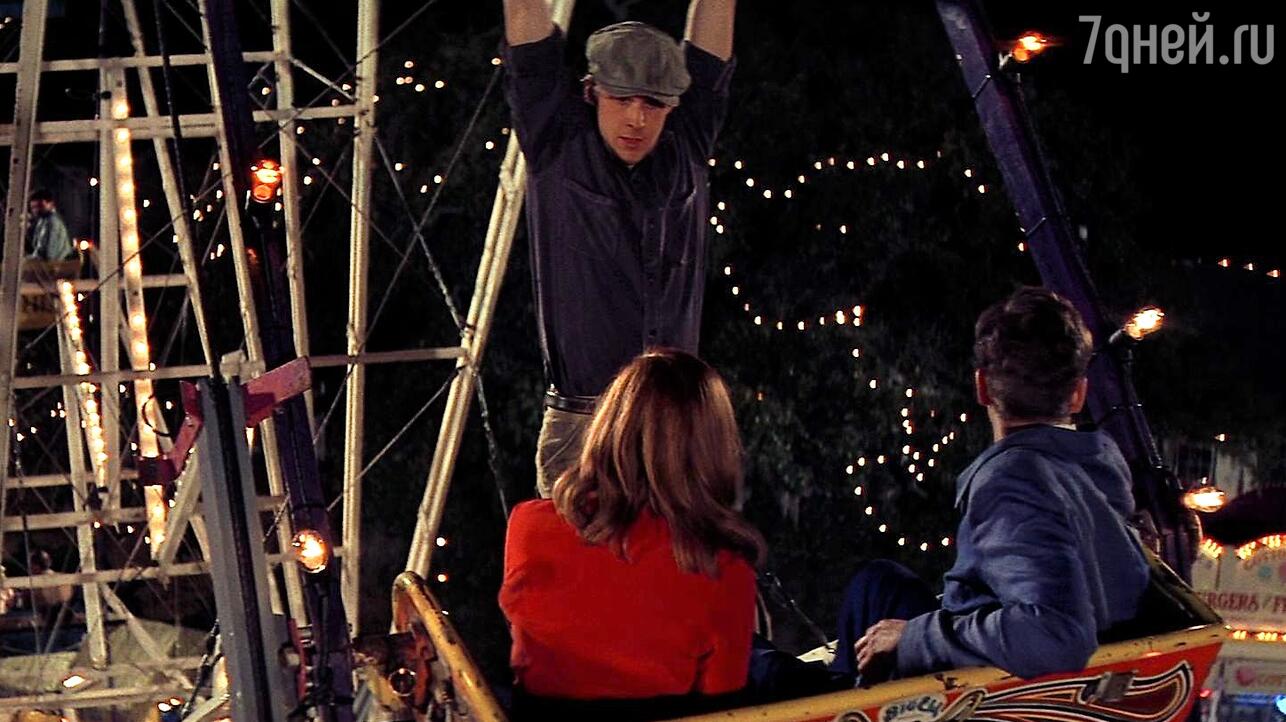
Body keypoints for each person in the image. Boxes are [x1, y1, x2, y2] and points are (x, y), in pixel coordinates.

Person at [845, 287, 1151, 681]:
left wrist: (914, 636)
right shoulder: (1097, 466)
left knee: (792, 657)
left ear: (982, 387)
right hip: (1052, 650)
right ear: (1078, 394)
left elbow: (1054, 635)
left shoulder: (1012, 484)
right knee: (881, 581)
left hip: (987, 687)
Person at [501, 0, 737, 497]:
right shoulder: (557, 140)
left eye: (653, 104)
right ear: (593, 92)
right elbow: (527, 35)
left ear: (672, 106)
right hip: (585, 424)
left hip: (675, 425)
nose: (636, 119)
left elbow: (710, 57)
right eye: (622, 98)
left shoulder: (686, 145)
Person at [499, 349, 764, 720]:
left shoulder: (528, 526)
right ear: (712, 448)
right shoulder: (723, 570)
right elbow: (724, 708)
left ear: (609, 424)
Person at [26, 189, 74, 262]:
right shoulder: (43, 221)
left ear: (51, 204)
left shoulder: (52, 222)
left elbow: (50, 254)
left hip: (54, 265)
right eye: (33, 208)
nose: (36, 210)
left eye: (39, 206)